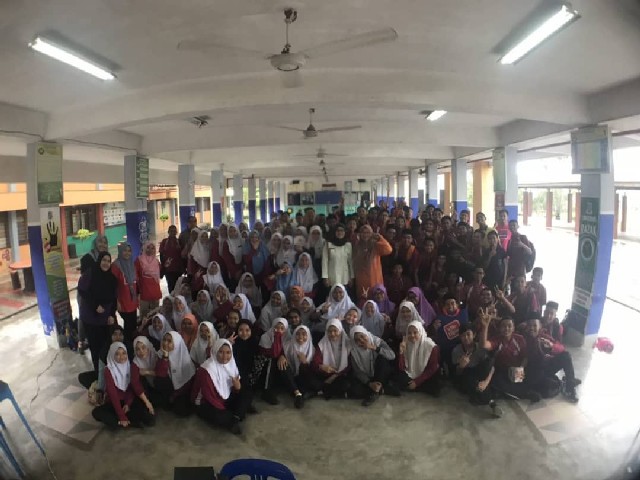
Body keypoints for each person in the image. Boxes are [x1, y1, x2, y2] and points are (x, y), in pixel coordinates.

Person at [191, 339, 251, 435]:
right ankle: (235, 417)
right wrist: (224, 410)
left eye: (228, 352)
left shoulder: (230, 364)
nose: (225, 356)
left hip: (222, 398)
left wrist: (237, 388)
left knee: (246, 392)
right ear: (215, 351)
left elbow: (232, 388)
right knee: (219, 415)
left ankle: (235, 417)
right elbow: (209, 396)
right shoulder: (206, 370)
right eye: (221, 352)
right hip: (205, 402)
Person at [91, 342, 155, 429]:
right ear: (112, 355)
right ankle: (124, 420)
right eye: (117, 354)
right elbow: (113, 394)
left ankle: (125, 421)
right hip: (115, 403)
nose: (121, 356)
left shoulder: (130, 365)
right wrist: (121, 415)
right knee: (96, 412)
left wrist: (128, 403)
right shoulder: (108, 370)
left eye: (124, 353)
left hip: (129, 400)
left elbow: (131, 387)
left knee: (150, 420)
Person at [478, 313, 539, 402]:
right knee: (498, 382)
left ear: (513, 328)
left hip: (518, 370)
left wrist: (520, 369)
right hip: (502, 371)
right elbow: (484, 345)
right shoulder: (497, 339)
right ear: (500, 328)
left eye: (509, 326)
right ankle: (525, 394)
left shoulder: (520, 339)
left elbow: (525, 358)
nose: (506, 328)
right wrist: (485, 326)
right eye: (503, 326)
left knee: (529, 377)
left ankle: (516, 391)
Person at [78, 251, 118, 372]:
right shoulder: (90, 273)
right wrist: (95, 305)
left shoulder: (112, 279)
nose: (106, 263)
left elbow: (114, 299)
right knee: (95, 348)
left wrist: (112, 314)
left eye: (108, 261)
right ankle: (98, 374)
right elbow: (82, 291)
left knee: (106, 346)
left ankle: (108, 372)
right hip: (90, 317)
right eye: (104, 260)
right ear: (99, 261)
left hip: (105, 319)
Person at [451, 323, 502, 417]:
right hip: (467, 374)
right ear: (460, 337)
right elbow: (457, 374)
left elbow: (492, 367)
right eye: (463, 335)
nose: (466, 338)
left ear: (474, 335)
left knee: (488, 362)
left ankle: (480, 393)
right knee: (473, 383)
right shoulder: (456, 350)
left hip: (481, 373)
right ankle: (492, 403)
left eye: (468, 334)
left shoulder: (480, 347)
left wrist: (486, 382)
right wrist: (461, 366)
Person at [524, 318, 580, 403]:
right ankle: (563, 382)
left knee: (566, 355)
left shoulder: (544, 336)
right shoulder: (522, 339)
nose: (532, 328)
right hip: (533, 373)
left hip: (546, 366)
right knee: (547, 390)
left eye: (535, 325)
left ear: (540, 327)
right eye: (530, 325)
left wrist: (551, 346)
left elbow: (561, 348)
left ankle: (570, 386)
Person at [258, 318, 305, 408]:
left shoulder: (288, 338)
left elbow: (285, 352)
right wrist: (277, 337)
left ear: (286, 329)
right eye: (276, 328)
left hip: (280, 369)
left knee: (283, 363)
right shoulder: (265, 337)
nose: (279, 330)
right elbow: (274, 354)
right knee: (272, 360)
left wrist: (282, 356)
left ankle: (297, 393)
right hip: (265, 368)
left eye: (282, 328)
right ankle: (266, 391)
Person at [348, 326, 397, 406]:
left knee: (382, 358)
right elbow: (358, 371)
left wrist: (374, 348)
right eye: (357, 340)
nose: (361, 340)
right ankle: (380, 389)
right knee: (354, 390)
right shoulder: (354, 350)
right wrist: (369, 383)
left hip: (380, 374)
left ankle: (376, 390)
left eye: (362, 336)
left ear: (366, 333)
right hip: (368, 378)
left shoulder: (377, 341)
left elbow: (392, 356)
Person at [155, 331, 196, 416]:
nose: (165, 343)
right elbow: (160, 374)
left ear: (177, 343)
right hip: (170, 387)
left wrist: (174, 395)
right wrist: (165, 357)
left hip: (182, 390)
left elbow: (188, 383)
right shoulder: (160, 354)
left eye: (169, 341)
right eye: (164, 340)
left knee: (181, 411)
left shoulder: (184, 358)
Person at [396, 320, 441, 396]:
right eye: (409, 333)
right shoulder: (406, 343)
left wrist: (417, 382)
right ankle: (418, 387)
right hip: (412, 373)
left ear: (420, 332)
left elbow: (432, 368)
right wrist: (401, 352)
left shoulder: (431, 346)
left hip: (426, 374)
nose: (412, 335)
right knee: (401, 378)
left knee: (435, 386)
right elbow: (402, 368)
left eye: (415, 332)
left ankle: (416, 386)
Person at [429, 295, 469, 375]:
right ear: (444, 306)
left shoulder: (464, 313)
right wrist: (434, 329)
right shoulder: (439, 319)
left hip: (463, 346)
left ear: (457, 304)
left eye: (452, 303)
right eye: (447, 304)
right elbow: (436, 337)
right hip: (447, 350)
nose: (450, 306)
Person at [352, 225, 393, 303]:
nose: (365, 235)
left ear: (371, 234)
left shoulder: (375, 245)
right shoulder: (356, 246)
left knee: (377, 300)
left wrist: (380, 238)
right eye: (363, 233)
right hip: (361, 279)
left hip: (375, 278)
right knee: (363, 301)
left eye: (368, 233)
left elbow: (389, 250)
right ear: (360, 234)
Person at [313, 319, 352, 400]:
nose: (332, 334)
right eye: (329, 331)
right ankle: (329, 391)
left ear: (340, 331)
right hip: (325, 374)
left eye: (335, 331)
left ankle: (324, 390)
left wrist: (335, 375)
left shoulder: (347, 343)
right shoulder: (323, 342)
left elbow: (349, 365)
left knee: (346, 384)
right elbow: (316, 360)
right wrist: (321, 366)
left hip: (341, 375)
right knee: (313, 381)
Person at [283, 325, 322, 397]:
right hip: (292, 376)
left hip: (306, 377)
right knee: (284, 366)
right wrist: (282, 356)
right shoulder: (288, 346)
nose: (300, 337)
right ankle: (299, 392)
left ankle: (300, 393)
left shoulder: (312, 349)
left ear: (308, 336)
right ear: (294, 335)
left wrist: (305, 362)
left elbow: (314, 369)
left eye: (304, 334)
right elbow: (281, 354)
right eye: (298, 334)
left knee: (314, 383)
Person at [111, 243, 139, 343]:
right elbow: (112, 286)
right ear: (120, 251)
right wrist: (117, 301)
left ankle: (133, 344)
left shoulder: (132, 264)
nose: (127, 253)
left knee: (133, 324)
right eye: (125, 250)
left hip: (132, 300)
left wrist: (138, 296)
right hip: (122, 301)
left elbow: (136, 282)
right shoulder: (115, 266)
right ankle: (127, 344)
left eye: (129, 251)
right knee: (128, 324)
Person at [321, 224, 354, 296]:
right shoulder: (328, 244)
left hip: (345, 276)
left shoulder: (348, 245)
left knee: (343, 297)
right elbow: (324, 261)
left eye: (342, 230)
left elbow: (350, 262)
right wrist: (325, 277)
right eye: (338, 231)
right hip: (332, 276)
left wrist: (351, 277)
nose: (340, 232)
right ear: (334, 232)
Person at [135, 241, 162, 322]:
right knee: (144, 318)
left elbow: (160, 276)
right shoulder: (139, 261)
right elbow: (135, 278)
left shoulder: (156, 262)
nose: (150, 250)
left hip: (155, 294)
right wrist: (137, 293)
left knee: (155, 317)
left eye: (152, 248)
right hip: (144, 295)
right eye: (148, 247)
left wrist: (166, 266)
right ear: (144, 248)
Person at [159, 225, 184, 294]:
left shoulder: (179, 242)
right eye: (171, 231)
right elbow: (161, 254)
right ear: (168, 232)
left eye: (174, 231)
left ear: (176, 232)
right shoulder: (164, 242)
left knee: (178, 286)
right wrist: (164, 266)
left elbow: (182, 255)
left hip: (178, 268)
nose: (173, 232)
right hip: (168, 269)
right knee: (170, 286)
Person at [222, 225, 245, 290]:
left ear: (237, 231)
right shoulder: (226, 242)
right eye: (230, 231)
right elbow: (227, 260)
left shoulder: (242, 241)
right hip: (232, 271)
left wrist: (240, 269)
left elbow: (244, 255)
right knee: (234, 288)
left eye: (234, 231)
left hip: (242, 269)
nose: (232, 233)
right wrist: (235, 272)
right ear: (228, 232)